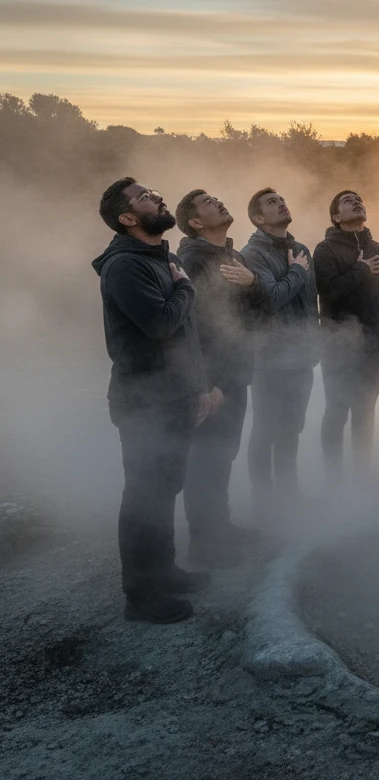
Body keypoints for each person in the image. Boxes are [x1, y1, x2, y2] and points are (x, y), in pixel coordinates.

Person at [93, 177, 214, 624]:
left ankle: (164, 571)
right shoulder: (125, 265)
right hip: (145, 401)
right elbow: (161, 324)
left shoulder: (162, 257)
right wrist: (186, 288)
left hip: (176, 395)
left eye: (153, 192)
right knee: (145, 495)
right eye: (144, 197)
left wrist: (199, 384)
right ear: (128, 218)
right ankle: (140, 597)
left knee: (165, 489)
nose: (157, 197)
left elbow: (188, 335)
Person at [175, 189, 265, 567]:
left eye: (216, 198)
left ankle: (221, 527)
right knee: (206, 459)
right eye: (208, 203)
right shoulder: (191, 260)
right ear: (195, 222)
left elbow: (253, 314)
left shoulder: (232, 254)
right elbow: (192, 328)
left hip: (234, 373)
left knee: (223, 454)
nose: (220, 202)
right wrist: (205, 384)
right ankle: (204, 543)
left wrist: (253, 283)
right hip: (213, 380)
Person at [241, 188, 318, 513]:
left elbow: (310, 301)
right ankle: (263, 499)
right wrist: (297, 271)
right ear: (258, 218)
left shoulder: (300, 248)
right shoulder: (252, 254)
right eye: (272, 202)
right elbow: (270, 298)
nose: (282, 202)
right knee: (266, 428)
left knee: (292, 428)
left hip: (301, 355)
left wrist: (313, 344)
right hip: (269, 357)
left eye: (282, 199)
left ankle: (290, 493)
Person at [314, 190, 379, 477]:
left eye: (359, 199)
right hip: (337, 343)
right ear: (336, 217)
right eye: (348, 201)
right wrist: (360, 270)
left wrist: (359, 284)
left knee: (365, 410)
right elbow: (329, 291)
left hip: (373, 340)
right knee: (337, 410)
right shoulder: (325, 249)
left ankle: (362, 477)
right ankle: (334, 478)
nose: (356, 202)